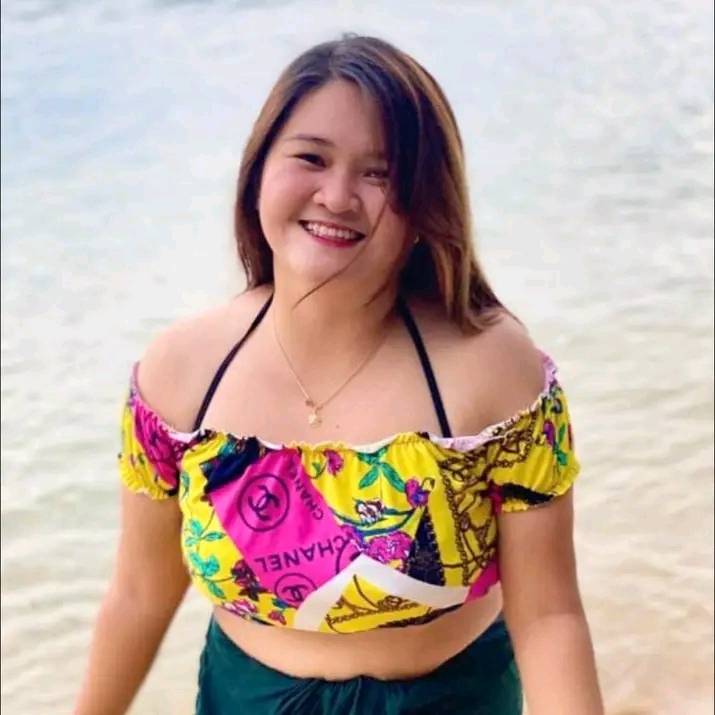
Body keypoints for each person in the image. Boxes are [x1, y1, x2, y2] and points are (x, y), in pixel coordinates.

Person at [74, 34, 604, 715]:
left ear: (425, 201)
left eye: (379, 174)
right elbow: (139, 595)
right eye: (311, 157)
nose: (337, 195)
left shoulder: (492, 369)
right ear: (258, 171)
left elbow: (549, 615)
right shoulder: (182, 373)